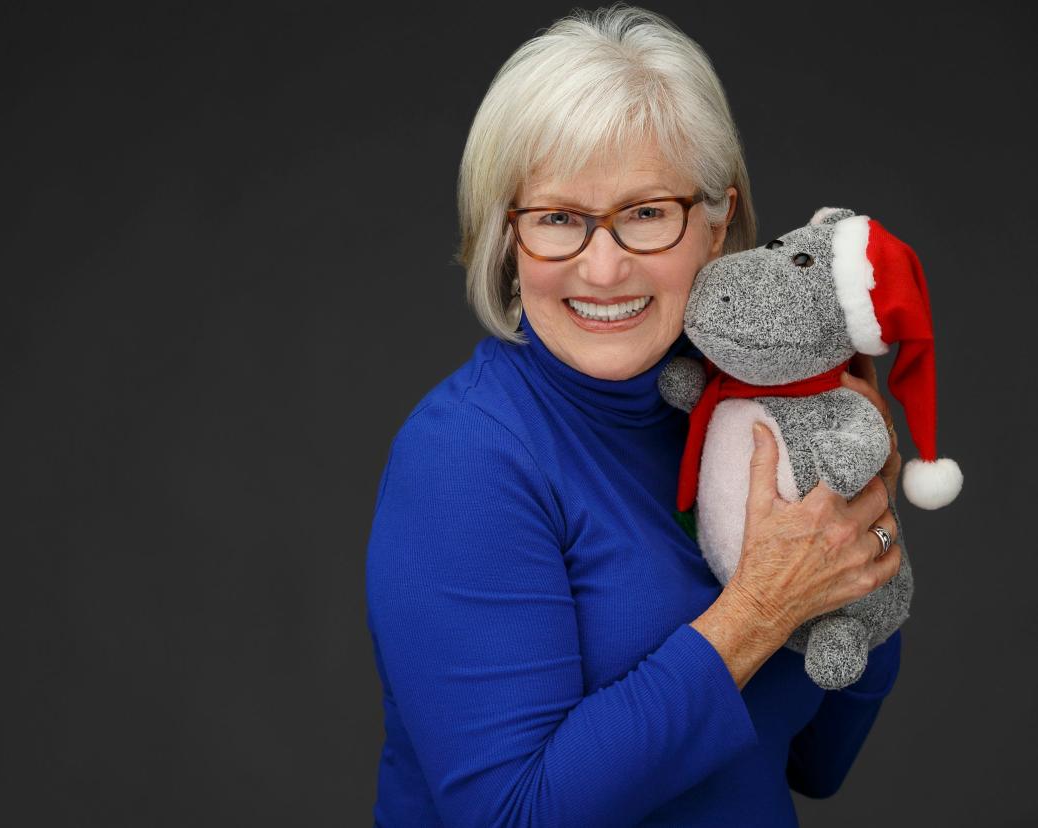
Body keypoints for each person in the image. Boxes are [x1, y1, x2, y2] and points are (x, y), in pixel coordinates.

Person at [364, 5, 905, 826]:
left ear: (717, 223)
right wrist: (757, 612)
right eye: (558, 219)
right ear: (507, 242)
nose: (605, 265)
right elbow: (509, 814)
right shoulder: (466, 458)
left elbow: (815, 760)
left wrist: (859, 550)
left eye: (647, 212)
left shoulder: (746, 419)